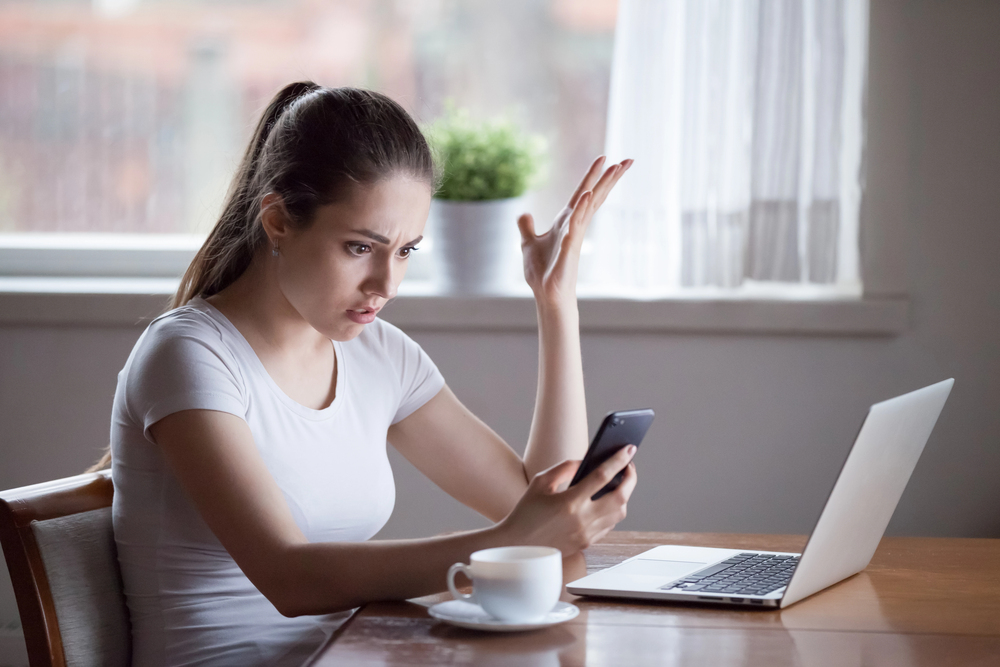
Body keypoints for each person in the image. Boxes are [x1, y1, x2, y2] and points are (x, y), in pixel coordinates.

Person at [105, 81, 635, 666]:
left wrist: (555, 301)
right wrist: (511, 541)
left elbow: (543, 517)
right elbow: (289, 578)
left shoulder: (379, 354)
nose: (386, 284)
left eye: (406, 251)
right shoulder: (190, 355)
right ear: (279, 220)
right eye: (361, 247)